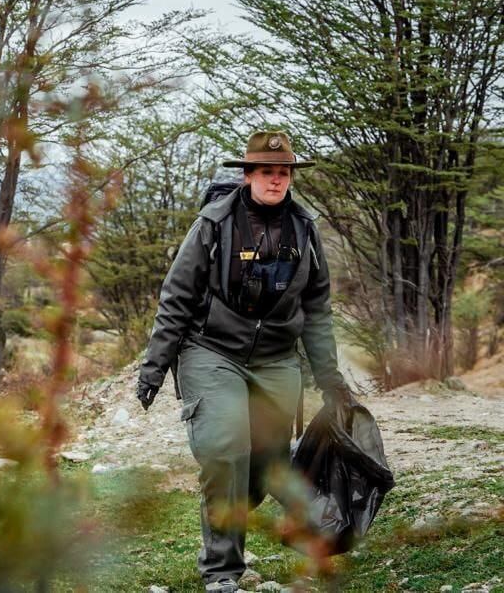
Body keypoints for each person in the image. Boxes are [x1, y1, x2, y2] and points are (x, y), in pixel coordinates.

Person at [135, 130, 356, 593]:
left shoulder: (305, 229)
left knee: (266, 465)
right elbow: (177, 296)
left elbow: (317, 309)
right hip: (212, 350)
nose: (276, 181)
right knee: (223, 449)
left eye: (284, 173)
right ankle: (222, 572)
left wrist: (329, 377)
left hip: (277, 358)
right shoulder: (214, 223)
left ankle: (242, 499)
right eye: (267, 172)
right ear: (249, 174)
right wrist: (154, 366)